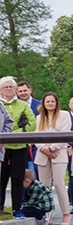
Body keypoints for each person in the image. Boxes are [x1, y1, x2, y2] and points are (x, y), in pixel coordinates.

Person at [34, 92, 73, 225]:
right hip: (42, 154)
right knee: (44, 186)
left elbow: (65, 134)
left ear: (56, 103)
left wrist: (52, 148)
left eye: (52, 101)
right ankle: (48, 213)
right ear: (43, 104)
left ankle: (66, 213)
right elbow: (36, 136)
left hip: (59, 153)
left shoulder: (64, 115)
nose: (50, 104)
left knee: (59, 184)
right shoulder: (39, 118)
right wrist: (45, 148)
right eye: (47, 101)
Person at [1, 76, 37, 215]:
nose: (9, 89)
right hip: (2, 148)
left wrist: (16, 133)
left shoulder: (23, 105)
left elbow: (32, 124)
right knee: (1, 178)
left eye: (11, 87)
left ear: (15, 89)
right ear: (1, 90)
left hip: (20, 147)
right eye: (6, 87)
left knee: (18, 178)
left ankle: (17, 208)